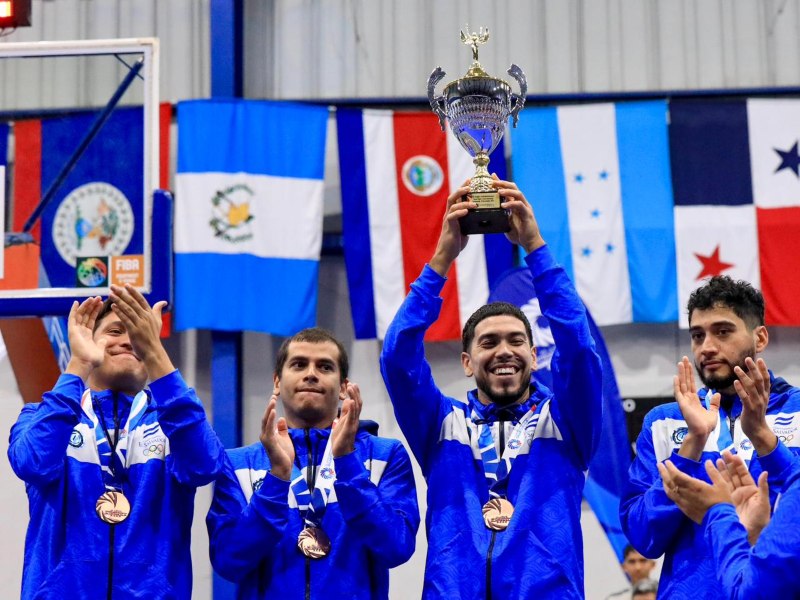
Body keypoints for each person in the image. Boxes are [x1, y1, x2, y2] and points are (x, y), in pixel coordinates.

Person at [380, 178, 603, 598]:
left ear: (535, 356)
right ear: (467, 362)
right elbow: (396, 358)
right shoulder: (440, 424)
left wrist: (535, 247)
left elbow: (579, 348)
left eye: (517, 341)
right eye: (488, 342)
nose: (504, 351)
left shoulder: (568, 421)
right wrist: (443, 258)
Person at [8, 285, 225, 599]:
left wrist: (155, 356)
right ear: (90, 340)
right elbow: (33, 463)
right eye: (115, 330)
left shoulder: (173, 422)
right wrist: (78, 365)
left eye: (139, 333)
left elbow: (205, 465)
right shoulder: (40, 415)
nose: (128, 340)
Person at [620, 276, 800, 599]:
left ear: (760, 337)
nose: (707, 347)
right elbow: (643, 538)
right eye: (697, 335)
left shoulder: (797, 411)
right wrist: (692, 445)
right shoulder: (663, 423)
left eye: (723, 331)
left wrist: (763, 438)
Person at [206, 328, 419, 599]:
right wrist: (277, 480)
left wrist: (347, 464)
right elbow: (228, 561)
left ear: (343, 387)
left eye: (325, 367)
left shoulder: (385, 456)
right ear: (277, 382)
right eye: (298, 364)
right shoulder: (237, 465)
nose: (310, 373)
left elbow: (396, 547)